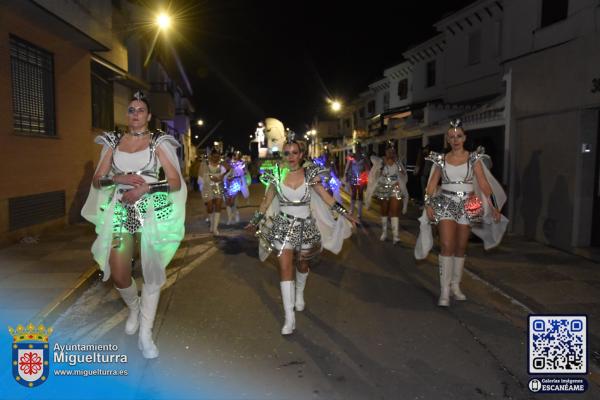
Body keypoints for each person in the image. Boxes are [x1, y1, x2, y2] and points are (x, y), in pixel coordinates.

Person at [81, 90, 186, 359]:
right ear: (127, 115)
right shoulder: (113, 141)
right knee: (118, 273)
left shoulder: (158, 142)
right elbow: (97, 181)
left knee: (152, 270)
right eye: (131, 110)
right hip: (122, 211)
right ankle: (134, 308)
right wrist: (118, 179)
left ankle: (146, 335)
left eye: (140, 110)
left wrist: (145, 189)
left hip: (153, 209)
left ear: (149, 116)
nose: (135, 114)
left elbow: (174, 182)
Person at [246, 136, 357, 335]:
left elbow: (327, 198)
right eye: (287, 153)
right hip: (283, 227)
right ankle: (290, 319)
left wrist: (345, 213)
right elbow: (266, 202)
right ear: (283, 154)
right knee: (284, 267)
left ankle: (300, 293)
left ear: (301, 154)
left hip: (306, 226)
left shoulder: (310, 174)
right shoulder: (276, 174)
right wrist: (255, 220)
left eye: (294, 152)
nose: (291, 156)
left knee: (302, 265)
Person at [414, 119, 508, 307]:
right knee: (446, 245)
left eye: (458, 136)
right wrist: (429, 204)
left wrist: (495, 206)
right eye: (451, 137)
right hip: (445, 202)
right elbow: (431, 185)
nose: (455, 139)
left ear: (464, 138)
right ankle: (445, 291)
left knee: (461, 247)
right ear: (447, 139)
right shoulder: (440, 160)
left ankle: (456, 285)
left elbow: (484, 185)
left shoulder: (474, 158)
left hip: (470, 202)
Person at [365, 143, 408, 244]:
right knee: (384, 211)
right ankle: (384, 233)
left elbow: (403, 174)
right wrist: (381, 167)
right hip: (383, 187)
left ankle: (396, 237)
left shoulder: (398, 162)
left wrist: (398, 164)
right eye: (389, 151)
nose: (391, 153)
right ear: (385, 152)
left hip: (396, 188)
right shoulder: (380, 161)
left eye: (393, 151)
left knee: (395, 211)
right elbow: (375, 174)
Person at [199, 149, 228, 235]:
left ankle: (215, 228)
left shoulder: (221, 164)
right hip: (207, 188)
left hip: (218, 186)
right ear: (211, 156)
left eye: (218, 156)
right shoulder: (205, 164)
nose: (216, 158)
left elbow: (228, 170)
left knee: (218, 205)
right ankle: (212, 224)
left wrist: (221, 177)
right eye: (214, 156)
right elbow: (200, 177)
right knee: (210, 207)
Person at [224, 150, 250, 224]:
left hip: (236, 184)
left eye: (237, 155)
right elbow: (226, 173)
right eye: (234, 155)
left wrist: (238, 174)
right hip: (227, 184)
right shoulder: (228, 164)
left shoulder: (241, 164)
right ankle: (232, 216)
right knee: (229, 201)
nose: (235, 157)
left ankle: (234, 215)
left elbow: (244, 172)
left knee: (232, 201)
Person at [344, 147, 370, 219]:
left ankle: (359, 212)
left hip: (361, 178)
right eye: (356, 148)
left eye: (359, 148)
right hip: (353, 177)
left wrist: (367, 178)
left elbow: (367, 168)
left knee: (360, 194)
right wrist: (346, 175)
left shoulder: (363, 158)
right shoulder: (351, 157)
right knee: (354, 193)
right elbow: (348, 167)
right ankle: (351, 210)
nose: (358, 150)